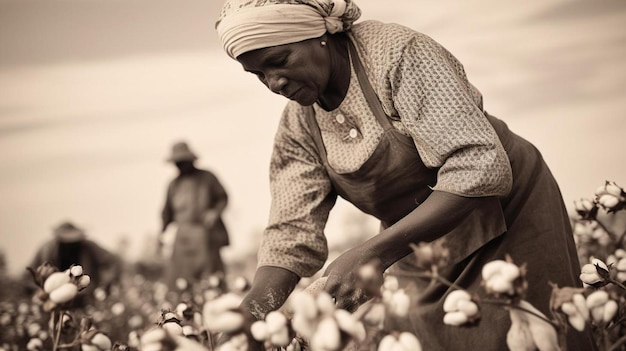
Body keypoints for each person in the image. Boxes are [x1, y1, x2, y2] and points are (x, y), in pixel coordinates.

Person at [215, 0, 596, 350]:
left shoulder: (395, 53)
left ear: (319, 36)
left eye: (280, 60)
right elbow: (291, 232)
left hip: (510, 212)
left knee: (542, 332)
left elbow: (478, 163)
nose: (274, 83)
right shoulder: (299, 127)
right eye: (258, 74)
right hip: (416, 241)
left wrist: (373, 254)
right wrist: (251, 314)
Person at [160, 141, 230, 288]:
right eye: (177, 163)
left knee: (210, 276)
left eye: (182, 162)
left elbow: (223, 198)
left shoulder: (207, 178)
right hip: (183, 234)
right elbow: (166, 212)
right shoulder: (173, 185)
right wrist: (161, 234)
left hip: (204, 231)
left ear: (190, 160)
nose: (179, 166)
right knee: (180, 278)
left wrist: (214, 213)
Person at [25, 221, 121, 304]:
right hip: (54, 298)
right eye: (66, 243)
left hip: (85, 298)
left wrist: (105, 285)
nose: (70, 247)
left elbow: (113, 261)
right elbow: (28, 275)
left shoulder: (88, 246)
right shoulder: (47, 249)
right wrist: (41, 290)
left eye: (73, 243)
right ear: (59, 240)